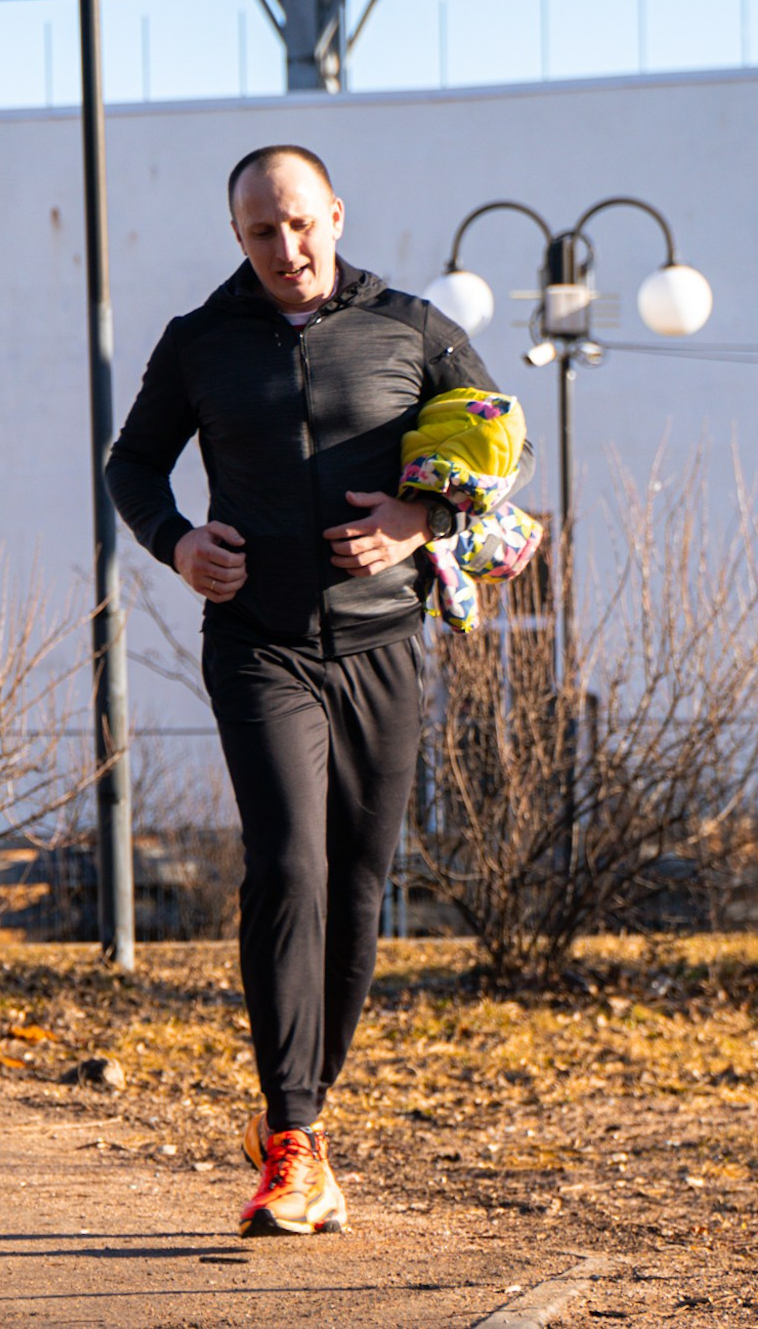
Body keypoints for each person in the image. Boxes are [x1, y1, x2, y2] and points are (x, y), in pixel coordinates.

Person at [105, 144, 532, 1237]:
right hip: (257, 641)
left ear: (334, 213)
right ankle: (289, 1137)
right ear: (236, 237)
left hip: (385, 644)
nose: (285, 248)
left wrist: (417, 522)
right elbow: (132, 465)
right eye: (260, 231)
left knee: (356, 885)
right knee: (285, 861)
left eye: (299, 223)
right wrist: (174, 541)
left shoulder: (411, 326)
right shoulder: (200, 343)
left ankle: (302, 1117)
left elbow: (493, 441)